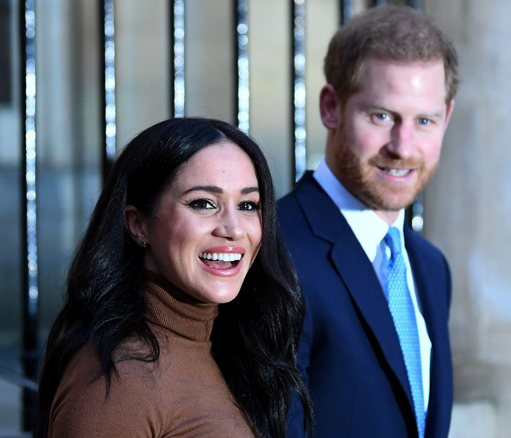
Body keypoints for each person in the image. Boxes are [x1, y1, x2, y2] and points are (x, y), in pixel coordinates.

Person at [35, 117, 312, 437]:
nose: (233, 229)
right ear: (139, 224)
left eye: (248, 205)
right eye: (203, 203)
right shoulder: (121, 384)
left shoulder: (222, 348)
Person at [279, 5, 459, 438]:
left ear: (446, 118)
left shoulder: (431, 267)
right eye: (381, 116)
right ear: (330, 108)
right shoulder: (276, 248)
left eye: (424, 121)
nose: (403, 145)